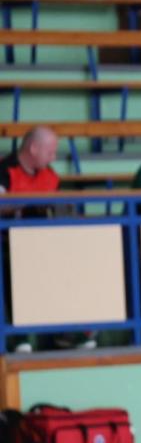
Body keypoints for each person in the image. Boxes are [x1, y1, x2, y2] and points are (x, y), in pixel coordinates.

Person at [1, 127, 65, 354]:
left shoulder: (49, 174)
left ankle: (66, 334)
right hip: (7, 243)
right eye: (50, 152)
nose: (53, 158)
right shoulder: (5, 170)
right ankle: (19, 338)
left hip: (41, 242)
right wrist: (26, 202)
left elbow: (60, 204)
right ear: (34, 148)